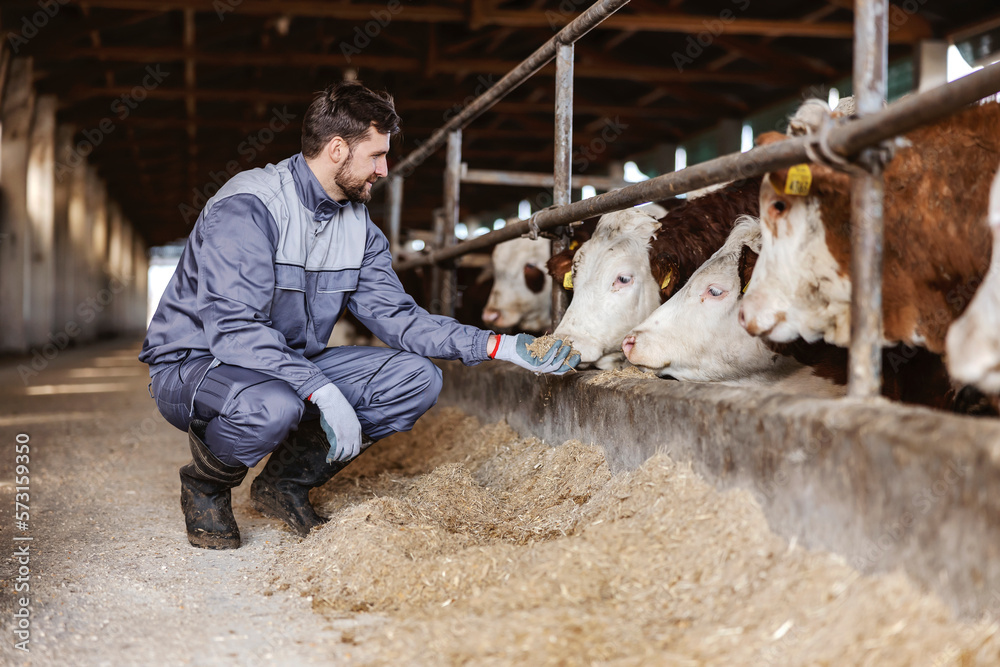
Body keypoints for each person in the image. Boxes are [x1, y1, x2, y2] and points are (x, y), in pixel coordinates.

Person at [139, 81, 579, 550]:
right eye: (376, 156)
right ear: (336, 150)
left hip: (285, 364)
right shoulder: (249, 208)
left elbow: (397, 317)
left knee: (416, 379)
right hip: (197, 365)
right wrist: (322, 390)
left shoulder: (357, 226)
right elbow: (234, 330)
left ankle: (284, 483)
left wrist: (498, 345)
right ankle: (206, 485)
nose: (385, 170)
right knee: (273, 407)